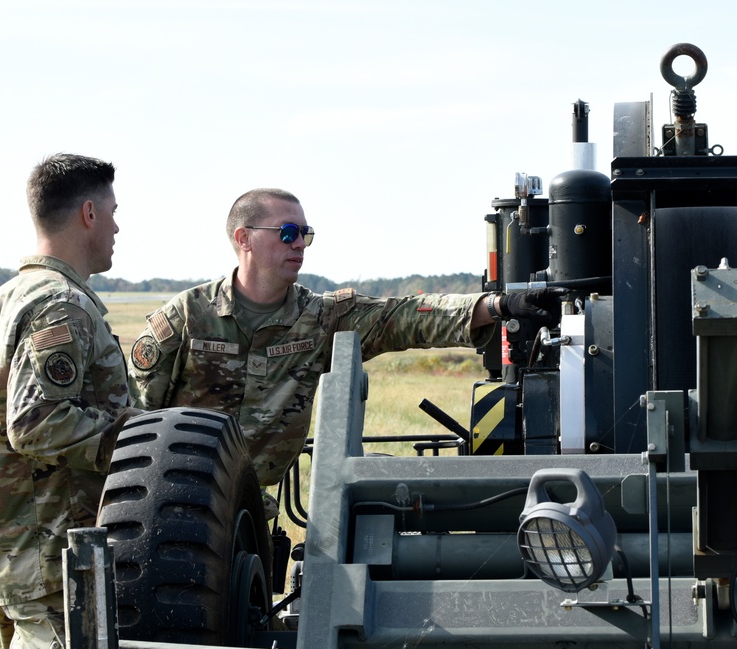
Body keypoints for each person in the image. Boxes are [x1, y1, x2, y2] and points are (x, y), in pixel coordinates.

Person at [127, 188, 561, 490]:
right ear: (244, 239)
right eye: (288, 233)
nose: (300, 245)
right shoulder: (186, 317)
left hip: (251, 508)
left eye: (305, 234)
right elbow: (135, 417)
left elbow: (404, 316)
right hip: (174, 494)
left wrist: (500, 306)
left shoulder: (322, 317)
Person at [0, 153, 138, 649]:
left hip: (14, 550)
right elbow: (36, 424)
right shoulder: (61, 304)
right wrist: (141, 439)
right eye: (113, 211)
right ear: (88, 214)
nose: (117, 226)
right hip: (52, 559)